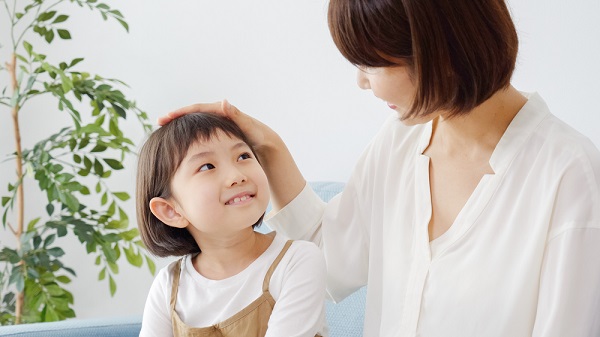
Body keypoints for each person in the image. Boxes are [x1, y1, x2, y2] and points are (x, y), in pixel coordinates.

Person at [160, 0, 600, 336]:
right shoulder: (401, 141)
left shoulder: (569, 175)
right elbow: (331, 263)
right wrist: (266, 148)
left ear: (436, 51)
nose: (362, 81)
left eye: (370, 63)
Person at [136, 113, 327, 337]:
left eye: (243, 156)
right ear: (171, 211)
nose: (237, 176)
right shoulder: (169, 286)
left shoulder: (297, 261)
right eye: (207, 167)